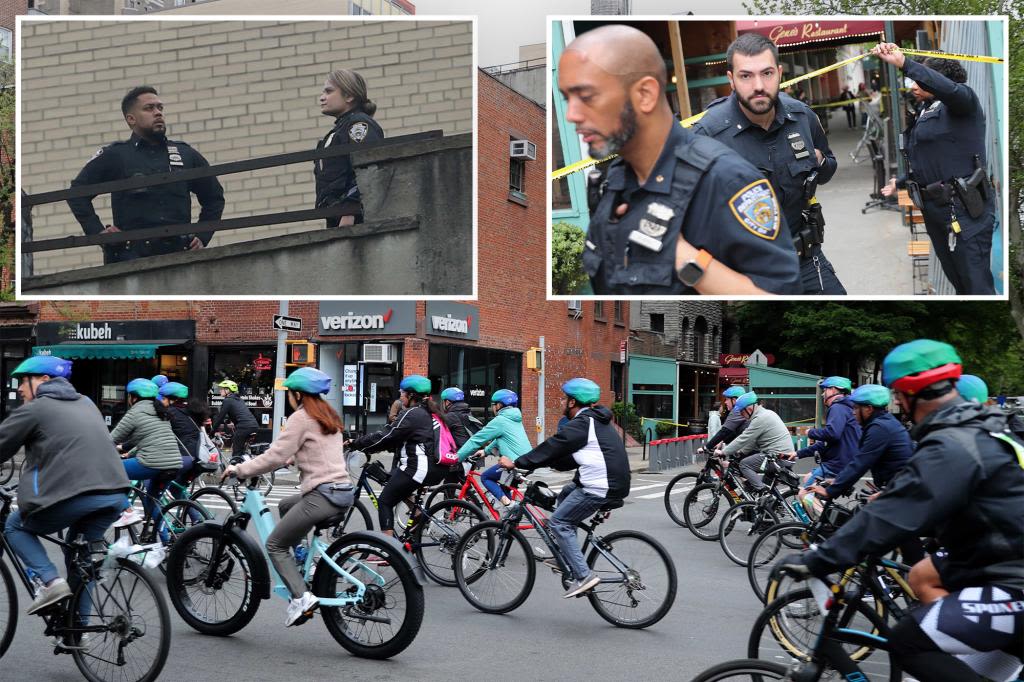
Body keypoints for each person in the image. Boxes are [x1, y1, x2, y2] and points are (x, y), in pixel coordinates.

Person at [775, 339, 1024, 682]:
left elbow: (894, 514)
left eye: (897, 396)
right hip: (993, 566)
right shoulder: (984, 426)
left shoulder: (952, 444)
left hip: (1011, 581)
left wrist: (819, 559)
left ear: (908, 394)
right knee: (924, 577)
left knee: (907, 643)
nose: (897, 404)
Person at [558, 24, 800, 295]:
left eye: (587, 97)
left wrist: (681, 257)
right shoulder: (614, 178)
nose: (572, 115)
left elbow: (779, 297)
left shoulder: (725, 180)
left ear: (645, 94)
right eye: (567, 98)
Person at [693, 33, 846, 295]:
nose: (758, 85)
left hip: (805, 258)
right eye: (746, 76)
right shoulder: (707, 134)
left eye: (766, 73)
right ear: (731, 79)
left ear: (780, 72)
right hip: (744, 273)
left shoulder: (801, 116)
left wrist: (819, 160)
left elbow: (827, 169)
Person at [222, 367, 352, 627]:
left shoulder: (301, 417)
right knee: (285, 504)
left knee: (275, 545)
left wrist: (240, 469)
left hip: (322, 495)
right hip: (343, 491)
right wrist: (294, 457)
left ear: (296, 394)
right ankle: (304, 558)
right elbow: (319, 449)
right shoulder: (329, 415)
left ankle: (301, 597)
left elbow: (274, 456)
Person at [0, 356, 130, 615]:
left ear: (44, 380)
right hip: (115, 494)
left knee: (15, 526)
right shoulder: (87, 403)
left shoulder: (35, 409)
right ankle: (79, 630)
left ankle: (50, 582)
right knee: (82, 558)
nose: (19, 389)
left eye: (23, 382)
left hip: (76, 494)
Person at [876, 44, 997, 294]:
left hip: (964, 211)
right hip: (935, 211)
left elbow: (949, 90)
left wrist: (906, 65)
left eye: (921, 79)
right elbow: (928, 159)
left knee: (976, 286)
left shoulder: (963, 102)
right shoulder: (924, 111)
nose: (914, 86)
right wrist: (899, 182)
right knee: (959, 283)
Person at [499, 378, 630, 598]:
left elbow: (554, 445)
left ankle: (583, 575)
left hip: (599, 487)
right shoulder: (597, 421)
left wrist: (518, 462)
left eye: (564, 398)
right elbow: (568, 458)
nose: (561, 401)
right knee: (566, 495)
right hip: (608, 483)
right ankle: (564, 554)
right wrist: (543, 463)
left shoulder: (582, 423)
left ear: (572, 402)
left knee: (560, 522)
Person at [67, 86, 225, 264]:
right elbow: (77, 193)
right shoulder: (116, 155)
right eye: (149, 108)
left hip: (179, 256)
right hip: (131, 259)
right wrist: (99, 233)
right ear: (131, 119)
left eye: (160, 108)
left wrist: (202, 236)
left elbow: (214, 197)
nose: (158, 113)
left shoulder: (184, 153)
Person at [346, 375, 445, 535]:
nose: (400, 396)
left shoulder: (413, 413)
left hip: (417, 467)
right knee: (394, 483)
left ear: (411, 395)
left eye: (402, 393)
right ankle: (416, 515)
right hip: (431, 467)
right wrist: (371, 447)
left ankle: (388, 549)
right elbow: (395, 438)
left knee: (385, 501)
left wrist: (356, 443)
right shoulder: (429, 412)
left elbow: (386, 435)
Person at [804, 384, 913, 500]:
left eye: (856, 408)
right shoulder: (882, 423)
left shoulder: (879, 428)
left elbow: (860, 463)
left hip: (902, 491)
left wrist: (830, 491)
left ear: (869, 409)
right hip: (895, 486)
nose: (853, 412)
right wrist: (838, 481)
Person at [110, 378, 182, 537]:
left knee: (110, 472)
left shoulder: (135, 412)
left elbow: (110, 440)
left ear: (133, 397)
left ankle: (128, 511)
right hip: (174, 464)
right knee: (152, 501)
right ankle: (169, 540)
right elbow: (142, 436)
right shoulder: (160, 411)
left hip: (151, 462)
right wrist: (124, 448)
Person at [315, 69, 384, 228]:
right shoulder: (336, 132)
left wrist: (349, 212)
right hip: (336, 217)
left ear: (349, 96)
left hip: (354, 219)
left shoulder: (359, 125)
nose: (322, 97)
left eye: (329, 91)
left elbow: (368, 170)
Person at [455, 389, 532, 511]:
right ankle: (510, 524)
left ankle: (509, 505)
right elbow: (500, 438)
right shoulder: (514, 418)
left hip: (513, 463)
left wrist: (457, 457)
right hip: (527, 460)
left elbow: (476, 440)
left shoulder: (500, 420)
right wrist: (485, 451)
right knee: (504, 489)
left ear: (500, 405)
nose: (493, 408)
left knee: (486, 477)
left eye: (494, 405)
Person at [794, 376, 861, 488]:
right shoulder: (847, 408)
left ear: (833, 390)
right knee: (807, 479)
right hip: (846, 462)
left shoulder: (837, 408)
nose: (822, 394)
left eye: (825, 390)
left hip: (838, 464)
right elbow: (826, 443)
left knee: (805, 494)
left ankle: (818, 504)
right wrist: (798, 453)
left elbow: (832, 434)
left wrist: (811, 432)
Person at [722, 392, 795, 491]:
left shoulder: (760, 418)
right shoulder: (766, 413)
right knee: (768, 488)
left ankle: (763, 493)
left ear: (749, 409)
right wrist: (741, 452)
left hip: (777, 457)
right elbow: (754, 440)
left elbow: (744, 438)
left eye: (741, 412)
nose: (741, 415)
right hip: (783, 456)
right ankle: (771, 503)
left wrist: (723, 452)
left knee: (744, 464)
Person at [158, 382, 211, 505]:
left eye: (164, 398)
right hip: (198, 458)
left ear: (171, 399)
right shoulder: (192, 412)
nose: (161, 401)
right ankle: (197, 517)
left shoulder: (169, 413)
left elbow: (159, 435)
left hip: (183, 459)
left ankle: (158, 519)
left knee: (152, 483)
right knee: (176, 489)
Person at [439, 387, 482, 485]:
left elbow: (438, 432)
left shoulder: (451, 416)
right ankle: (470, 498)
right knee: (464, 485)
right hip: (471, 454)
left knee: (449, 485)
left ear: (448, 402)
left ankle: (464, 500)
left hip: (461, 456)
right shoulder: (467, 412)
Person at [211, 379, 259, 457]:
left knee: (236, 453)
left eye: (221, 389)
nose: (220, 391)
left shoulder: (228, 400)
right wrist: (228, 421)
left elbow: (220, 417)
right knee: (241, 450)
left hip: (244, 427)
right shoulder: (239, 400)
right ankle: (244, 461)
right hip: (254, 426)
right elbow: (236, 413)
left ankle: (235, 466)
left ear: (227, 390)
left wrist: (212, 432)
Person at [701, 385, 750, 454]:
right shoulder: (743, 409)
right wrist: (722, 441)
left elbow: (724, 431)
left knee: (743, 463)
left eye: (727, 399)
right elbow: (733, 432)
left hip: (750, 448)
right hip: (747, 446)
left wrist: (706, 447)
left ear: (734, 400)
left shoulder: (737, 410)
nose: (725, 402)